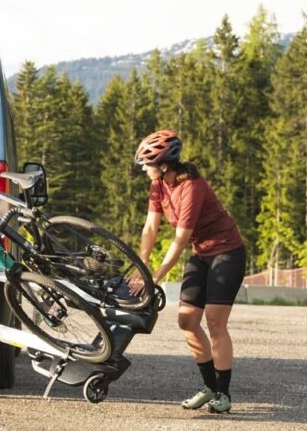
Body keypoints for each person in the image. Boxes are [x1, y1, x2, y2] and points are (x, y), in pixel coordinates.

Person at [131, 130, 245, 414]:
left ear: (164, 164)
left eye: (147, 163)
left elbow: (180, 240)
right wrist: (142, 265)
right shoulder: (158, 186)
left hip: (227, 252)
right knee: (187, 321)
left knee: (215, 322)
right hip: (202, 253)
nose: (144, 169)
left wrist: (153, 279)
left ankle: (224, 393)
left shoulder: (192, 187)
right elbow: (149, 229)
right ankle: (209, 387)